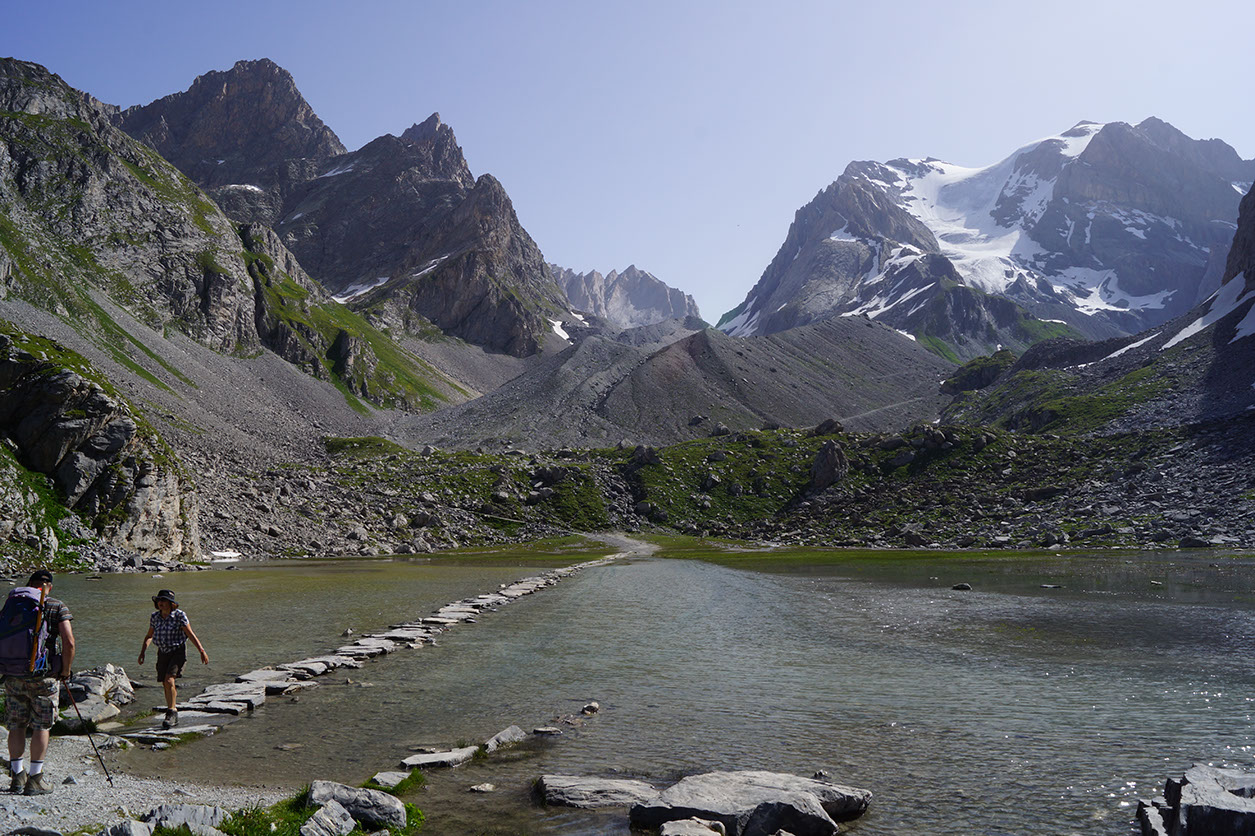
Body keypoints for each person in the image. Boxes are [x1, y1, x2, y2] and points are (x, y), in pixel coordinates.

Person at [4, 569, 75, 796]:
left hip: (13, 675)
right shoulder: (56, 605)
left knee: (15, 725)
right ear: (49, 586)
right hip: (43, 676)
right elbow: (69, 642)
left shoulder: (13, 602)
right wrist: (65, 670)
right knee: (41, 726)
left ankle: (17, 776)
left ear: (29, 584)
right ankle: (36, 779)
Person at [137, 589, 208, 730]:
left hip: (177, 651)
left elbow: (190, 634)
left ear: (171, 603)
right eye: (159, 601)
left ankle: (171, 712)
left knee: (169, 679)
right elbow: (149, 636)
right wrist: (143, 652)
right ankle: (172, 708)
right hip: (162, 652)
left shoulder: (179, 616)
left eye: (163, 601)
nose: (160, 603)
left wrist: (201, 651)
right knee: (165, 682)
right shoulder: (155, 617)